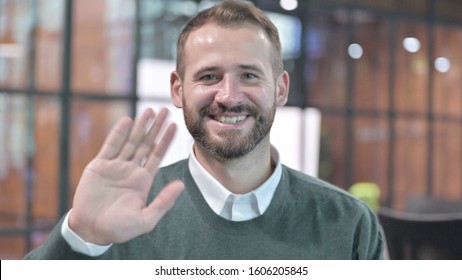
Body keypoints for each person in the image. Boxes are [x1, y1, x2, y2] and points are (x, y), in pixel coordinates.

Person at [25, 0, 384, 259]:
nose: (229, 97)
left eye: (249, 75)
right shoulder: (123, 212)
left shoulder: (350, 225)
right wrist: (81, 237)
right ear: (178, 90)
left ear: (281, 89)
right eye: (209, 77)